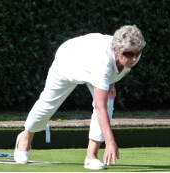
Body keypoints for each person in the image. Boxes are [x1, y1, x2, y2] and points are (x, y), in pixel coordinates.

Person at [14, 25, 146, 170]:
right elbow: (99, 106)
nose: (134, 58)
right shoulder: (102, 63)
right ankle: (25, 138)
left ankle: (91, 156)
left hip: (92, 65)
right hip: (68, 61)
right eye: (128, 54)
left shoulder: (132, 52)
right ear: (116, 50)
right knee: (48, 104)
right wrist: (110, 142)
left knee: (108, 102)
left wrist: (111, 81)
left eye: (137, 53)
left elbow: (115, 72)